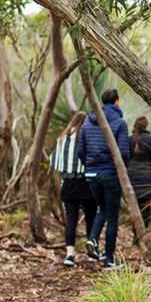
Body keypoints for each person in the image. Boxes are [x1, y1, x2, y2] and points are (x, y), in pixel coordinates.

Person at [76, 88, 130, 269]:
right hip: (110, 174)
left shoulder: (87, 122)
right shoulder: (120, 123)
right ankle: (109, 259)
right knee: (112, 216)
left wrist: (90, 166)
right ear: (117, 101)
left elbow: (80, 151)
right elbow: (123, 153)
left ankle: (92, 239)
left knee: (102, 209)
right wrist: (120, 172)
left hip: (91, 174)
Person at [50, 112, 97, 267]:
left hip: (69, 183)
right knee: (91, 217)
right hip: (87, 183)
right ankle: (92, 251)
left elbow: (54, 163)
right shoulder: (88, 139)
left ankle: (70, 254)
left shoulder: (62, 139)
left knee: (71, 220)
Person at [128, 116, 151, 236]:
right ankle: (143, 233)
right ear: (146, 126)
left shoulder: (129, 139)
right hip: (148, 178)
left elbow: (124, 158)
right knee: (146, 207)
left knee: (135, 208)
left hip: (131, 179)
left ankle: (135, 235)